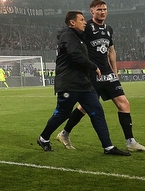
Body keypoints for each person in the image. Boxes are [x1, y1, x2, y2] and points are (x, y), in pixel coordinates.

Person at [57, 0, 145, 152]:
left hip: (108, 73)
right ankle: (64, 133)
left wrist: (115, 71)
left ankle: (131, 142)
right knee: (84, 107)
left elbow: (111, 51)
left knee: (124, 104)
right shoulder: (87, 27)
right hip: (92, 73)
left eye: (104, 9)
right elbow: (73, 37)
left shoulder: (109, 29)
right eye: (99, 9)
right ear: (92, 11)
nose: (102, 12)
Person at [37, 11, 130, 156]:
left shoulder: (80, 37)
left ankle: (108, 147)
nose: (85, 22)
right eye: (81, 20)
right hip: (69, 83)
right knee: (63, 113)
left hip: (84, 84)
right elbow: (75, 55)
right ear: (72, 22)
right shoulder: (68, 35)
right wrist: (93, 66)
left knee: (97, 112)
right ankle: (43, 138)